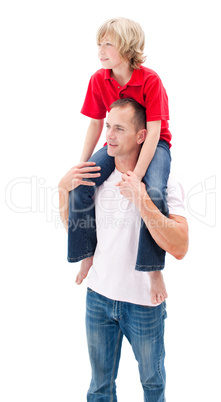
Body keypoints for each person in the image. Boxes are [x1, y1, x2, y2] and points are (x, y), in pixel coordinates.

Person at [59, 99, 189, 400]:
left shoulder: (164, 182)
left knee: (153, 385)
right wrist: (62, 191)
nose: (109, 135)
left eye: (119, 128)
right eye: (107, 126)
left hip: (143, 304)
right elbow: (75, 230)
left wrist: (142, 200)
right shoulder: (97, 179)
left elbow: (181, 247)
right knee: (99, 387)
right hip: (98, 298)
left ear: (141, 136)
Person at [68, 17, 172, 304]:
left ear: (127, 48)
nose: (100, 50)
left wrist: (137, 175)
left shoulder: (150, 80)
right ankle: (86, 254)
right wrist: (83, 164)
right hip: (117, 144)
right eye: (98, 44)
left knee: (152, 193)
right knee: (82, 183)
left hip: (154, 143)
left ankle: (153, 270)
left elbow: (153, 132)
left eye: (108, 44)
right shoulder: (98, 80)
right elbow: (95, 124)